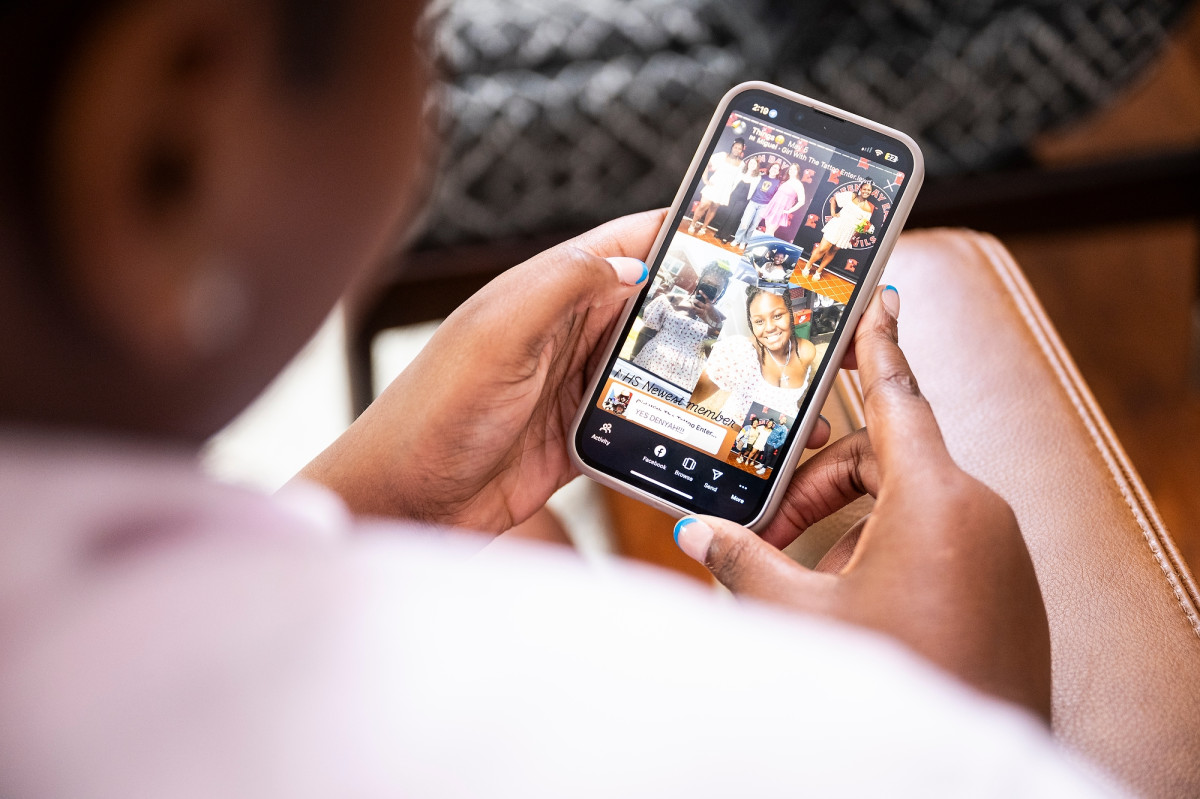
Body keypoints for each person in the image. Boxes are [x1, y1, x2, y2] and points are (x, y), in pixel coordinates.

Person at [0, 0, 1118, 794]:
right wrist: (950, 733)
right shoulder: (804, 741)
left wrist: (381, 498)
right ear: (168, 142)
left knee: (525, 532)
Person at [691, 287, 818, 424]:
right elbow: (685, 399)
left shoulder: (805, 350)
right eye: (759, 321)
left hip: (783, 439)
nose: (769, 328)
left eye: (777, 316)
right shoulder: (739, 352)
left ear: (791, 314)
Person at [631, 264, 729, 390]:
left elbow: (713, 357)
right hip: (650, 361)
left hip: (685, 377)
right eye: (707, 283)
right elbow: (647, 331)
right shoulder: (670, 300)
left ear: (721, 293)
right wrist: (632, 358)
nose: (710, 289)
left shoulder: (721, 321)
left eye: (716, 288)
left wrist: (714, 323)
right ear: (698, 280)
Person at [802, 181, 876, 280]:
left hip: (848, 232)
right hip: (837, 225)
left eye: (869, 190)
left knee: (832, 251)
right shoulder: (852, 196)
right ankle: (808, 266)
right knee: (822, 248)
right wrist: (833, 212)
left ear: (871, 192)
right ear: (860, 189)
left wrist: (857, 234)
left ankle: (818, 271)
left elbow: (863, 225)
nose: (866, 191)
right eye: (865, 189)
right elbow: (834, 199)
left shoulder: (868, 208)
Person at [688, 138, 746, 237]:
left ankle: (703, 227)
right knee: (703, 205)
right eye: (735, 147)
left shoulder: (742, 164)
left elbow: (737, 181)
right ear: (732, 147)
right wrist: (705, 179)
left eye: (739, 148)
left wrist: (730, 191)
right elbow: (706, 162)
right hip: (714, 185)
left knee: (713, 208)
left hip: (725, 189)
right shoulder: (722, 155)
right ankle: (693, 224)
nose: (737, 150)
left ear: (742, 150)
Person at [732, 161, 783, 249]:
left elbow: (776, 197)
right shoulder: (761, 177)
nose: (774, 170)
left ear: (778, 172)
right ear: (769, 168)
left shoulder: (778, 183)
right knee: (744, 223)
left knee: (753, 226)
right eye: (773, 167)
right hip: (753, 202)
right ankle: (737, 239)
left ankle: (744, 241)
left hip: (764, 206)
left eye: (777, 169)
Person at [712, 157, 760, 244]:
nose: (752, 165)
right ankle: (719, 233)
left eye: (754, 164)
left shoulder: (757, 177)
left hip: (743, 200)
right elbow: (733, 182)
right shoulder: (741, 172)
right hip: (733, 195)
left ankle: (725, 236)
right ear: (748, 163)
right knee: (727, 214)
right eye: (751, 163)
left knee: (733, 217)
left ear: (756, 166)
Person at [761, 163, 807, 238]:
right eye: (791, 169)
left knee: (770, 231)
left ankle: (765, 248)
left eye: (794, 169)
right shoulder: (787, 181)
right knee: (768, 230)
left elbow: (802, 201)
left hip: (780, 210)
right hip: (773, 207)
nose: (792, 171)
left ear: (797, 172)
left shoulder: (798, 184)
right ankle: (764, 248)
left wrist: (789, 211)